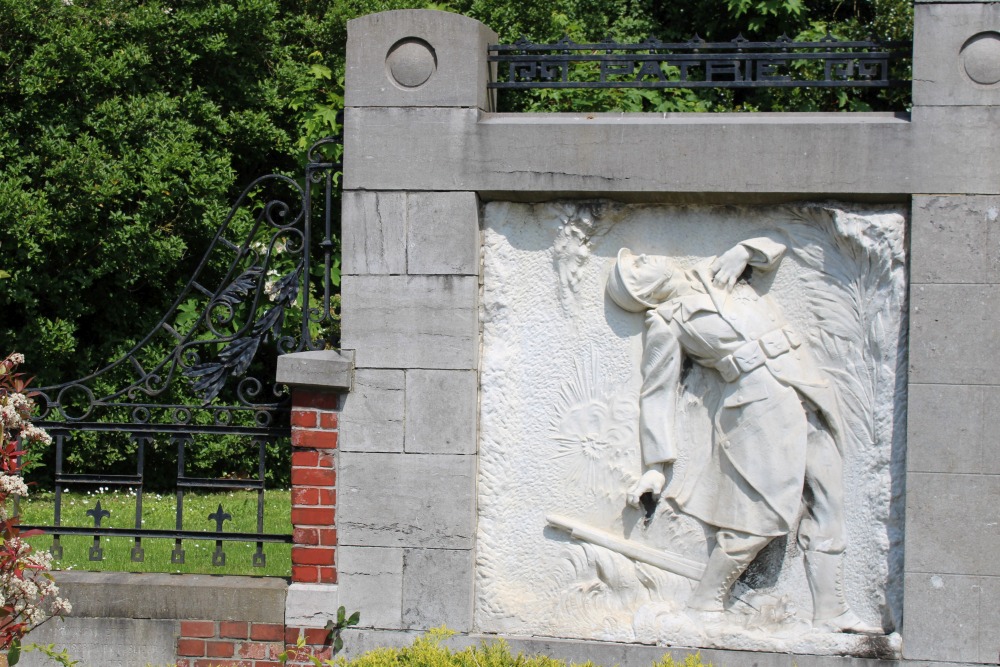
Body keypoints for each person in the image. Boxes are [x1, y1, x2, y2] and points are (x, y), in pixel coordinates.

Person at [606, 238, 879, 634]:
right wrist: (656, 467)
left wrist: (746, 250)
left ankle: (832, 611)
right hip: (758, 405)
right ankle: (705, 603)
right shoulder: (665, 321)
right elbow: (658, 392)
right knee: (762, 514)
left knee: (827, 499)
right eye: (637, 267)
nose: (647, 257)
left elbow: (778, 246)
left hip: (805, 382)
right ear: (642, 292)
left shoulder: (717, 270)